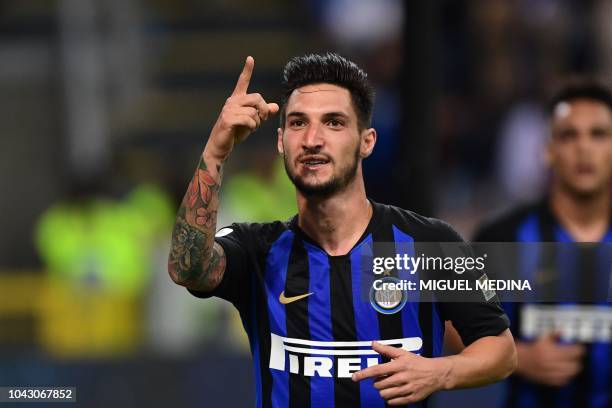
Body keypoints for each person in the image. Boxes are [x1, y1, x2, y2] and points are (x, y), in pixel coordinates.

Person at [168, 53, 516, 407]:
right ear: (280, 141)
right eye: (298, 123)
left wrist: (439, 372)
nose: (313, 139)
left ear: (367, 141)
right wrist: (216, 150)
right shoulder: (258, 249)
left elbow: (501, 349)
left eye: (334, 123)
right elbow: (187, 268)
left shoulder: (430, 243)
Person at [472, 80, 612, 407]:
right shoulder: (506, 236)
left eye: (599, 134)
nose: (584, 149)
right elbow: (454, 323)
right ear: (548, 150)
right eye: (568, 135)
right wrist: (518, 356)